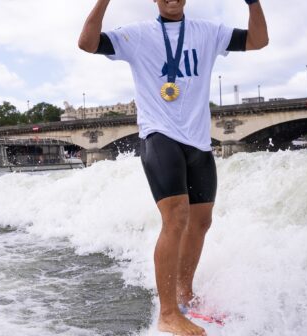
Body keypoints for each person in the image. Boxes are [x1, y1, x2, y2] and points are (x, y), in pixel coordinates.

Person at [78, 0, 268, 335]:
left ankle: (184, 293)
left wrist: (253, 2)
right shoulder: (137, 34)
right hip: (159, 135)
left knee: (201, 221)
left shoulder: (208, 32)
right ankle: (167, 314)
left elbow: (258, 41)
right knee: (176, 216)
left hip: (198, 140)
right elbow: (87, 43)